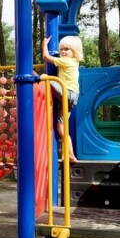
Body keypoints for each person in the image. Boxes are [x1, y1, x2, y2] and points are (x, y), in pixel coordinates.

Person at [42, 35, 83, 163]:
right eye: (62, 49)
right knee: (61, 128)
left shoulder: (67, 61)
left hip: (68, 94)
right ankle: (71, 155)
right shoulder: (73, 61)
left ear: (74, 52)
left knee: (45, 77)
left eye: (67, 49)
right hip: (68, 100)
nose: (63, 52)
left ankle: (70, 154)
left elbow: (46, 57)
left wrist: (44, 45)